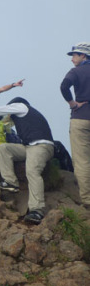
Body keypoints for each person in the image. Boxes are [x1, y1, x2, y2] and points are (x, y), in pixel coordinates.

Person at [0, 97, 54, 225]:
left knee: (32, 171)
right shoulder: (24, 115)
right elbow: (6, 124)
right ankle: (11, 182)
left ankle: (37, 211)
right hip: (29, 147)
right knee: (4, 148)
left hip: (41, 146)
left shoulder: (21, 107)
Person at [60, 42, 90, 209]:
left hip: (81, 118)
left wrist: (72, 103)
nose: (72, 59)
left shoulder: (76, 71)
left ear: (83, 56)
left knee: (82, 161)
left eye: (74, 55)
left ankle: (87, 201)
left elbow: (64, 86)